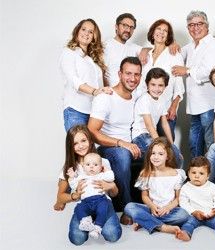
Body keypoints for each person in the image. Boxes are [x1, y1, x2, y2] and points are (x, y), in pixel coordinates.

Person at [87, 57, 142, 212]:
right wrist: (121, 143)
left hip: (133, 145)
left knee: (173, 154)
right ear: (119, 74)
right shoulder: (105, 97)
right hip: (109, 147)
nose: (132, 79)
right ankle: (127, 208)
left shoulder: (137, 98)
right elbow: (92, 132)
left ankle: (159, 203)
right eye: (128, 73)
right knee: (122, 156)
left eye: (137, 74)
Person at [53, 125, 121, 245]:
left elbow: (114, 193)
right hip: (84, 205)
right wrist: (75, 195)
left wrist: (111, 186)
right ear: (70, 146)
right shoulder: (70, 168)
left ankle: (99, 223)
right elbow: (60, 197)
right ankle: (88, 221)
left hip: (103, 202)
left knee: (112, 234)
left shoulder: (103, 162)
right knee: (77, 238)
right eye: (75, 143)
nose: (80, 146)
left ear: (90, 140)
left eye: (83, 140)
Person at [172, 10, 215, 157]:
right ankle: (196, 178)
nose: (195, 27)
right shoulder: (190, 47)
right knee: (194, 145)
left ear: (207, 26)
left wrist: (187, 70)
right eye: (191, 25)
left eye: (199, 24)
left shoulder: (214, 44)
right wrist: (173, 45)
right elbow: (173, 57)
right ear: (188, 28)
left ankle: (212, 179)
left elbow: (212, 71)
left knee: (211, 146)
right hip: (194, 106)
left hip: (210, 105)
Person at [124, 137, 189, 235]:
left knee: (184, 215)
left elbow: (178, 198)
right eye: (153, 153)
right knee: (129, 207)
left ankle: (146, 222)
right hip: (151, 209)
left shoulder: (176, 174)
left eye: (160, 154)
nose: (156, 157)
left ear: (167, 156)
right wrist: (152, 206)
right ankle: (162, 227)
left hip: (169, 210)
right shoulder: (145, 173)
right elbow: (144, 196)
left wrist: (167, 208)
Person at [134, 19, 185, 141]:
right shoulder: (146, 54)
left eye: (165, 31)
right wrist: (145, 49)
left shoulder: (174, 54)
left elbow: (179, 84)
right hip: (144, 108)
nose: (161, 32)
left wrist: (174, 106)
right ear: (152, 32)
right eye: (158, 29)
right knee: (148, 147)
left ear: (168, 36)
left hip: (165, 109)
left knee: (167, 147)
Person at [59, 18, 112, 132]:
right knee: (78, 148)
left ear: (94, 36)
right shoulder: (69, 52)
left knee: (91, 149)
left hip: (93, 112)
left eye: (91, 32)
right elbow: (74, 80)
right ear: (77, 31)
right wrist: (95, 91)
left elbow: (100, 83)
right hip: (75, 110)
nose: (86, 33)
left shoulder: (92, 59)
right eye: (83, 29)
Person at [132, 68, 183, 167]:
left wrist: (172, 145)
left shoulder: (162, 100)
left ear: (165, 86)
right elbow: (149, 126)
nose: (156, 89)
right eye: (153, 85)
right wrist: (160, 145)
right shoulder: (144, 100)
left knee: (176, 154)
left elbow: (164, 123)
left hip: (152, 136)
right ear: (147, 84)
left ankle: (174, 180)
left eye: (160, 85)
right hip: (140, 137)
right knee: (162, 154)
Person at [176, 156, 215, 242]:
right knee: (188, 223)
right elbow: (183, 203)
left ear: (208, 176)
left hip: (210, 215)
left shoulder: (213, 187)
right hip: (194, 215)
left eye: (201, 173)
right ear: (188, 173)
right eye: (193, 172)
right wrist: (194, 212)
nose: (196, 176)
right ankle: (186, 233)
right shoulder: (185, 187)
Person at [67, 153, 115, 239]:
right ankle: (86, 221)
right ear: (83, 167)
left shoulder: (101, 175)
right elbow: (73, 185)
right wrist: (71, 177)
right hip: (85, 201)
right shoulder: (81, 177)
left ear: (101, 167)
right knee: (78, 208)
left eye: (95, 165)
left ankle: (97, 228)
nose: (91, 167)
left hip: (100, 200)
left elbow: (111, 177)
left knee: (103, 209)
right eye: (88, 165)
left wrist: (106, 170)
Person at [104, 13, 144, 87]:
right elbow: (101, 73)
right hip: (111, 93)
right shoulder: (105, 46)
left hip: (129, 95)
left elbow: (155, 50)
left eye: (132, 27)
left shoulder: (133, 47)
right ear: (116, 26)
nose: (128, 30)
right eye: (125, 25)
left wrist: (171, 43)